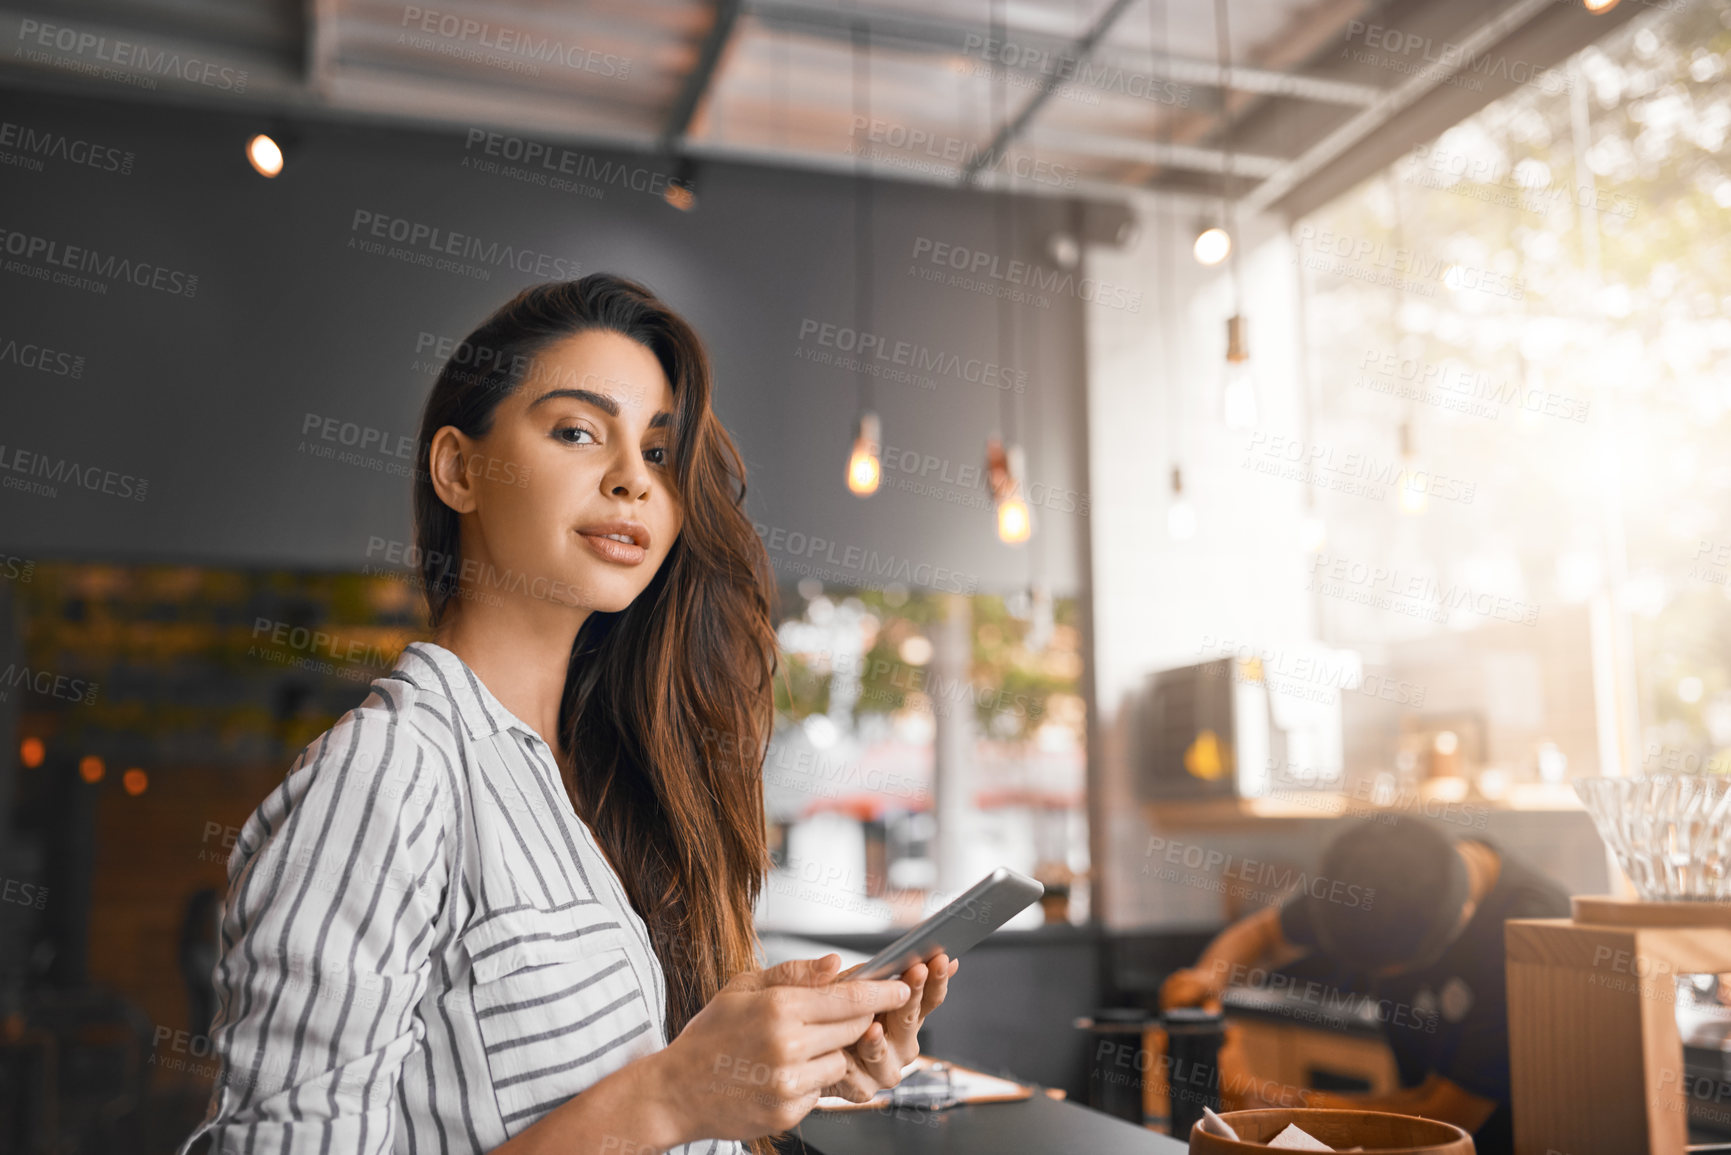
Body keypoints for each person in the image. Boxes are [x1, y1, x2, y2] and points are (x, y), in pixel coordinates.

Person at [177, 274, 959, 1155]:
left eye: (659, 454)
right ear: (458, 469)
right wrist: (666, 1098)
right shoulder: (387, 774)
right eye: (578, 431)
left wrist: (769, 1059)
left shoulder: (594, 780)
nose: (632, 479)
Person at [1159, 817, 1569, 1155]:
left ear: (1462, 920)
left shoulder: (1528, 935)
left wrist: (1263, 1102)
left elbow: (1444, 1114)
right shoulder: (1376, 879)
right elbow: (1264, 933)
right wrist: (1209, 976)